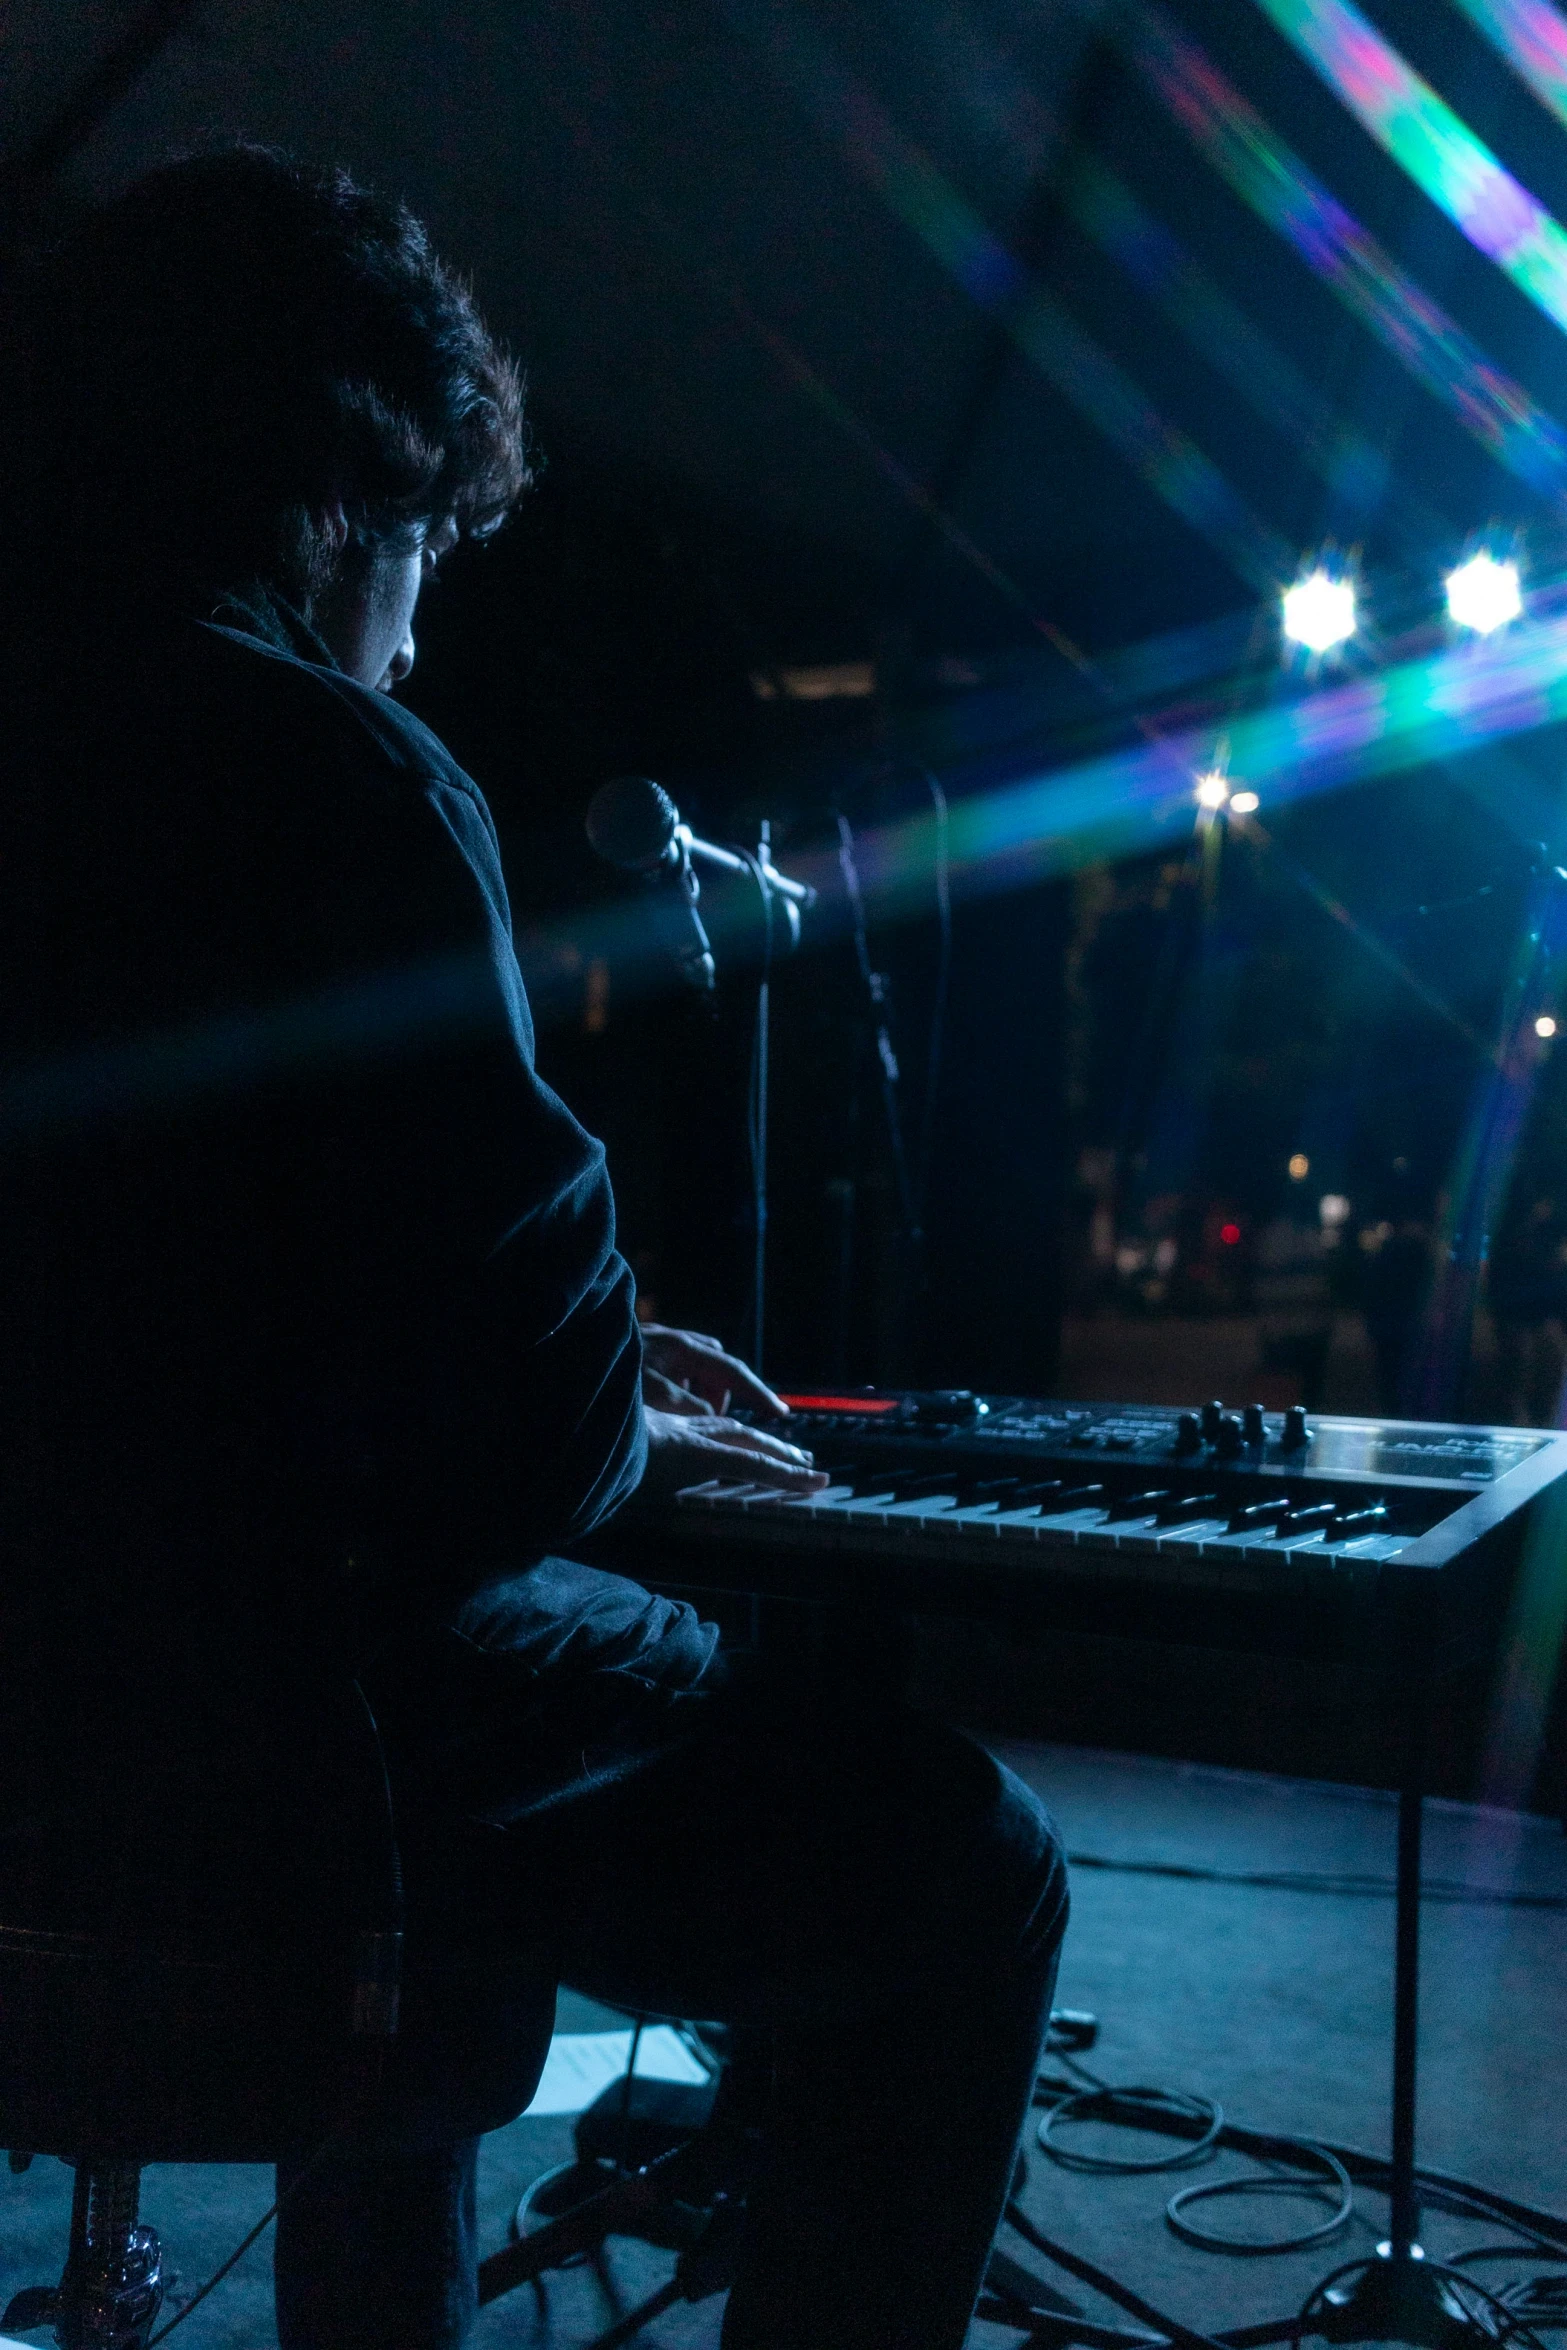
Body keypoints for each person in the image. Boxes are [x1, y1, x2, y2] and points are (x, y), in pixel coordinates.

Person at [0, 149, 1066, 2348]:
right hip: (276, 1759)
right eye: (425, 555)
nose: (426, 615)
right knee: (958, 1868)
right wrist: (612, 1363)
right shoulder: (335, 769)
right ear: (340, 490)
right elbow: (526, 1436)